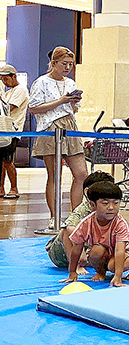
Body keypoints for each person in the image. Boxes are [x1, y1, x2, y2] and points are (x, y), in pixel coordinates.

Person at [29, 47, 88, 229]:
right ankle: (55, 217)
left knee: (81, 174)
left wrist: (73, 103)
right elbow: (34, 108)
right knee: (55, 175)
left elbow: (71, 109)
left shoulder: (70, 83)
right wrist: (61, 101)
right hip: (50, 127)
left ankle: (75, 216)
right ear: (53, 63)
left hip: (70, 126)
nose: (68, 67)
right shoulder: (41, 82)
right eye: (64, 64)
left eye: (70, 64)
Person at [60, 181, 129, 287]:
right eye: (105, 203)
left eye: (116, 203)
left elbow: (119, 251)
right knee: (95, 252)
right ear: (93, 205)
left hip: (125, 252)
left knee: (113, 266)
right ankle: (101, 272)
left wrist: (118, 277)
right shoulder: (87, 222)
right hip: (104, 251)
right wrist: (72, 272)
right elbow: (76, 249)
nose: (111, 207)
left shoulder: (120, 223)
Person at [45, 170, 115, 272]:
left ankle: (84, 259)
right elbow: (69, 229)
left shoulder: (109, 210)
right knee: (67, 230)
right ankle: (76, 264)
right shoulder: (83, 210)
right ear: (87, 192)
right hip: (61, 252)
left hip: (85, 248)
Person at [0, 64, 29, 199]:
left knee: (8, 161)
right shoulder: (8, 92)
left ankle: (14, 188)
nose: (4, 82)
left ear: (14, 76)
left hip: (13, 131)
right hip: (4, 131)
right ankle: (0, 189)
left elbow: (8, 108)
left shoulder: (20, 90)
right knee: (1, 161)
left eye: (6, 79)